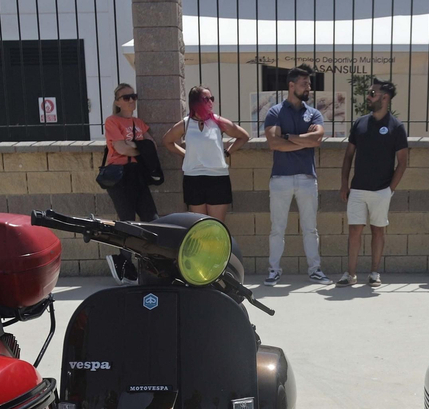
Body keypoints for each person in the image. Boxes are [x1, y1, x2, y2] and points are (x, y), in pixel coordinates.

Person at [337, 80, 409, 288]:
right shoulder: (360, 123)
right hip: (357, 189)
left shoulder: (396, 127)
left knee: (378, 230)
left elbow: (403, 162)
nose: (368, 96)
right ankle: (350, 274)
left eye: (372, 93)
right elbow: (348, 156)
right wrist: (344, 184)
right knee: (354, 230)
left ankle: (374, 273)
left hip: (381, 190)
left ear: (384, 98)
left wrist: (390, 190)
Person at [263, 68, 327, 286]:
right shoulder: (275, 112)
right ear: (291, 85)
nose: (308, 87)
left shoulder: (314, 113)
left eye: (309, 84)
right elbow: (274, 143)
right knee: (277, 229)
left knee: (310, 228)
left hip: (307, 178)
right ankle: (273, 271)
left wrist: (289, 136)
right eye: (304, 84)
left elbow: (317, 139)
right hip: (280, 177)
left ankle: (315, 270)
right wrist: (304, 141)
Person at [163, 86, 248, 224]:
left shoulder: (218, 121)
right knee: (200, 225)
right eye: (206, 99)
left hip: (217, 178)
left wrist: (227, 152)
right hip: (193, 178)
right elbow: (167, 141)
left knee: (216, 225)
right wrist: (185, 154)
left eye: (211, 98)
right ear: (195, 102)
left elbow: (243, 136)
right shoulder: (186, 123)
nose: (210, 102)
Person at [102, 84, 157, 222]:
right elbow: (121, 148)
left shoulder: (138, 122)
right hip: (120, 174)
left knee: (152, 219)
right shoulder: (112, 121)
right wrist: (141, 148)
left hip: (138, 172)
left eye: (134, 96)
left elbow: (152, 146)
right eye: (126, 98)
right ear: (117, 102)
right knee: (127, 221)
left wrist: (131, 145)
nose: (131, 100)